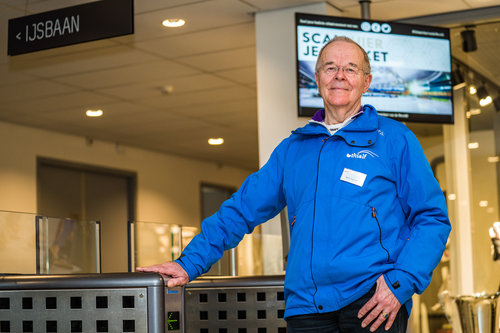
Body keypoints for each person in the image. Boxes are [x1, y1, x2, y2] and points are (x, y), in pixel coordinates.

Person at [137, 36, 451, 332]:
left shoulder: (395, 139)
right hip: (307, 307)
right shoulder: (293, 149)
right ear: (317, 79)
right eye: (330, 68)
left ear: (366, 81)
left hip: (371, 300)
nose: (339, 75)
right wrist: (188, 263)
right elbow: (241, 210)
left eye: (350, 68)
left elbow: (432, 219)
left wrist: (401, 282)